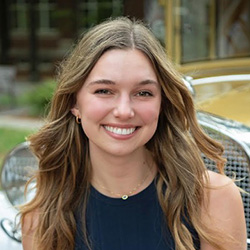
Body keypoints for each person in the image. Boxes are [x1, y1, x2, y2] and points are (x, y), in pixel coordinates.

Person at [20, 17, 247, 250]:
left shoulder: (212, 199)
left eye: (143, 93)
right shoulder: (41, 216)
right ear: (74, 103)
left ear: (162, 103)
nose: (124, 111)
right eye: (105, 90)